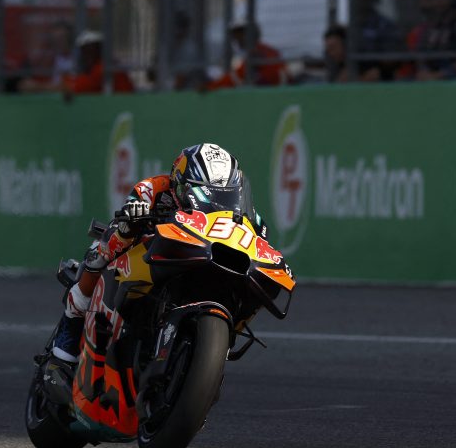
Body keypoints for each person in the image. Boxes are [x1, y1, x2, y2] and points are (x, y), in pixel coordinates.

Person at [47, 143, 268, 368]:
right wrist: (130, 223)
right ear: (178, 183)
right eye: (201, 191)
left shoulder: (241, 211)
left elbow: (258, 232)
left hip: (199, 255)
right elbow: (122, 223)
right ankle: (67, 336)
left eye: (227, 194)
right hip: (147, 252)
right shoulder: (153, 188)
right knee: (97, 254)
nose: (215, 200)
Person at [203, 22, 287, 89]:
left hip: (275, 92)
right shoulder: (259, 50)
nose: (238, 39)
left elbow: (236, 77)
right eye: (236, 35)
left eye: (241, 34)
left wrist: (210, 86)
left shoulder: (258, 52)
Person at [354, 0, 401, 81]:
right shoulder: (349, 27)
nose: (361, 0)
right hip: (354, 79)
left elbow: (391, 57)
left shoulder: (386, 25)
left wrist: (379, 69)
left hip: (381, 80)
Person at [62, 30, 134, 95]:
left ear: (99, 50)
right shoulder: (98, 66)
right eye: (85, 51)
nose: (87, 55)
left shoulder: (104, 66)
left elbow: (82, 87)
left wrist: (65, 83)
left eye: (91, 49)